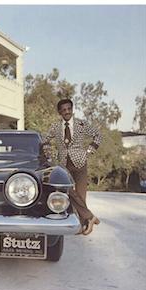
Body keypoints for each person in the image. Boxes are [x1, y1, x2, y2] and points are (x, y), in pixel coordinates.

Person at [43, 99, 102, 235]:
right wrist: (50, 156)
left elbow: (98, 135)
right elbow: (45, 139)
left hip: (80, 162)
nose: (67, 112)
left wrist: (88, 152)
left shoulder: (81, 124)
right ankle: (90, 217)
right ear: (59, 112)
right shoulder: (55, 127)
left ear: (72, 109)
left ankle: (84, 225)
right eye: (63, 110)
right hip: (64, 165)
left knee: (81, 195)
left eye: (69, 109)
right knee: (69, 191)